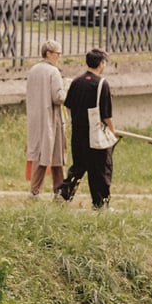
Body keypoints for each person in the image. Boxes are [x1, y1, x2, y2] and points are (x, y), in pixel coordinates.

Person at [59, 48, 116, 209]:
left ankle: (63, 196)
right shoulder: (101, 84)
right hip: (95, 134)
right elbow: (106, 114)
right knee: (100, 170)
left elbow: (68, 104)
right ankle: (100, 203)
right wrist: (113, 131)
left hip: (78, 132)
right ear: (101, 63)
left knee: (78, 167)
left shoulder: (76, 82)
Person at [25, 39, 67, 199]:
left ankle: (35, 190)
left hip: (36, 117)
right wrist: (66, 88)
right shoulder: (53, 71)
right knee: (56, 155)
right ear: (49, 53)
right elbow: (58, 97)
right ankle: (59, 191)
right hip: (51, 118)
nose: (59, 56)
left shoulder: (34, 70)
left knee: (39, 154)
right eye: (58, 53)